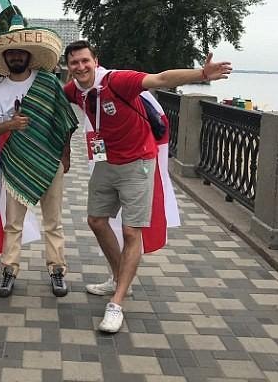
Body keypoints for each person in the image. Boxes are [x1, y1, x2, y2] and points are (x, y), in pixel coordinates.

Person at [63, 40, 231, 333]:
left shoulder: (118, 80)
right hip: (106, 161)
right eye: (74, 62)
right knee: (96, 221)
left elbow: (161, 79)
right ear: (68, 67)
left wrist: (201, 74)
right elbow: (50, 98)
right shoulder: (74, 90)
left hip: (138, 162)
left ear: (95, 61)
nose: (80, 67)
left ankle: (116, 304)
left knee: (131, 231)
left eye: (85, 61)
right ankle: (119, 279)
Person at [0, 15, 79, 298]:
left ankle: (57, 270)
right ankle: (9, 270)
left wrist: (66, 155)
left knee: (53, 222)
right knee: (13, 223)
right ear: (5, 57)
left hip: (50, 159)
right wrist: (10, 125)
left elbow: (65, 121)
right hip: (16, 163)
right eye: (10, 53)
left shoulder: (48, 82)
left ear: (28, 55)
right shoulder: (0, 90)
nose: (15, 56)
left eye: (20, 52)